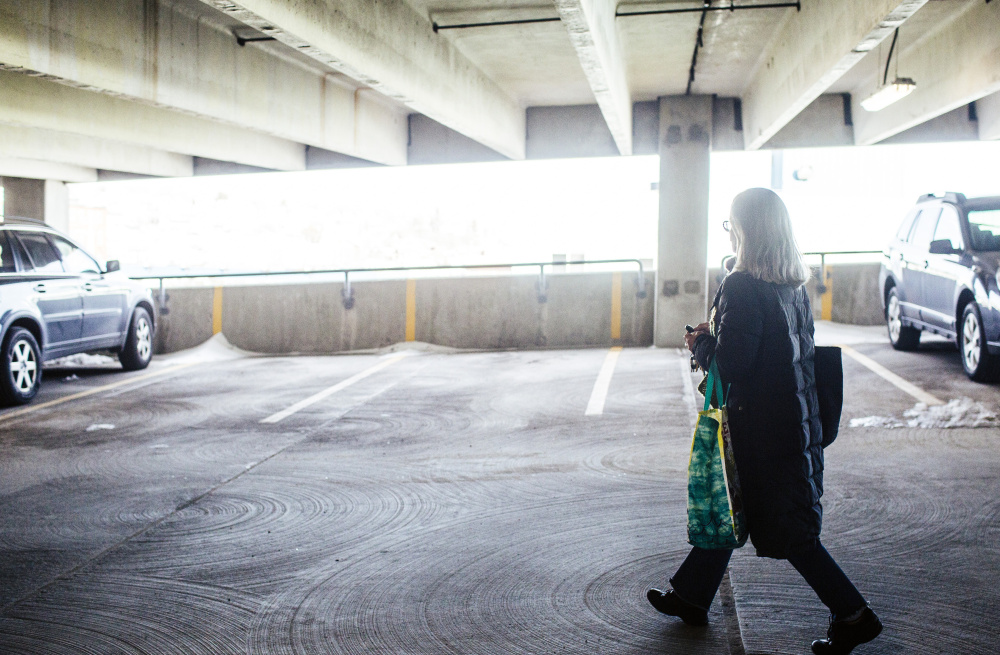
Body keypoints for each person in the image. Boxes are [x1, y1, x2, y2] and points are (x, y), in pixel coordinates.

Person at [646, 188, 882, 655]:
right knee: (735, 508)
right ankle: (691, 597)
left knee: (789, 532)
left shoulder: (741, 284)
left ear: (745, 231)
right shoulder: (792, 284)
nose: (728, 232)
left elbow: (733, 366)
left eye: (731, 224)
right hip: (795, 424)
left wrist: (701, 345)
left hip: (763, 433)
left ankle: (854, 615)